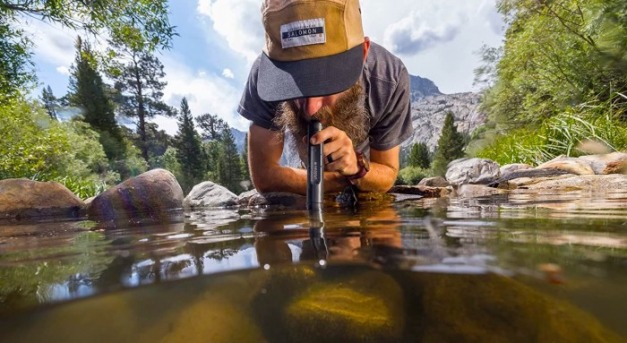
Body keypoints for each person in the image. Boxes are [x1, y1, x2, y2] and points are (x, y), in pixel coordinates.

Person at [238, 0, 413, 195]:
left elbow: (387, 172)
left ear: (363, 53)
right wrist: (338, 181)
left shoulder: (388, 78)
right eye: (294, 85)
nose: (310, 109)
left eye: (326, 83)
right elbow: (265, 176)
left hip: (363, 176)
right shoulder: (269, 78)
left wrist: (356, 167)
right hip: (304, 176)